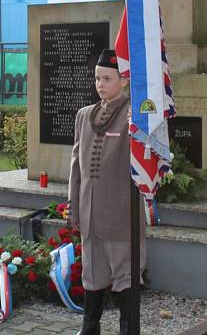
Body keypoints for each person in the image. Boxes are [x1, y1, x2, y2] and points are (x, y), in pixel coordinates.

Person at [69, 48, 145, 335]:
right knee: (93, 274)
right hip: (90, 215)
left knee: (125, 274)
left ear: (123, 80)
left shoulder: (134, 117)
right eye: (97, 78)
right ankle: (90, 328)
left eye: (108, 78)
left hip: (120, 216)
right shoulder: (84, 115)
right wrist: (74, 205)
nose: (100, 84)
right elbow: (76, 166)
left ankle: (128, 328)